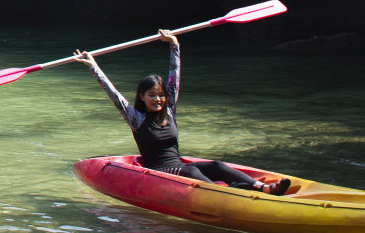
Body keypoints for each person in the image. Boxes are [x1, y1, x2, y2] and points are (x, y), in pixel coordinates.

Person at [73, 30, 291, 194]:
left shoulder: (168, 112)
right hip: (159, 171)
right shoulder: (136, 119)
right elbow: (113, 93)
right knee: (193, 173)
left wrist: (174, 46)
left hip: (179, 167)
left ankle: (261, 187)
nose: (157, 99)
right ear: (142, 97)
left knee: (216, 165)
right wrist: (93, 66)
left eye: (160, 95)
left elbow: (174, 78)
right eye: (151, 95)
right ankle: (233, 193)